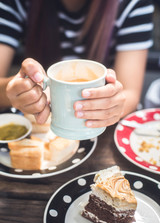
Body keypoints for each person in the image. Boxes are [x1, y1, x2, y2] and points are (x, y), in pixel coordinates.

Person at [0, 0, 154, 129]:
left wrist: (114, 104)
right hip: (42, 125)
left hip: (107, 129)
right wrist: (15, 92)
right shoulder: (17, 3)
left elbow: (130, 93)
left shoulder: (133, 4)